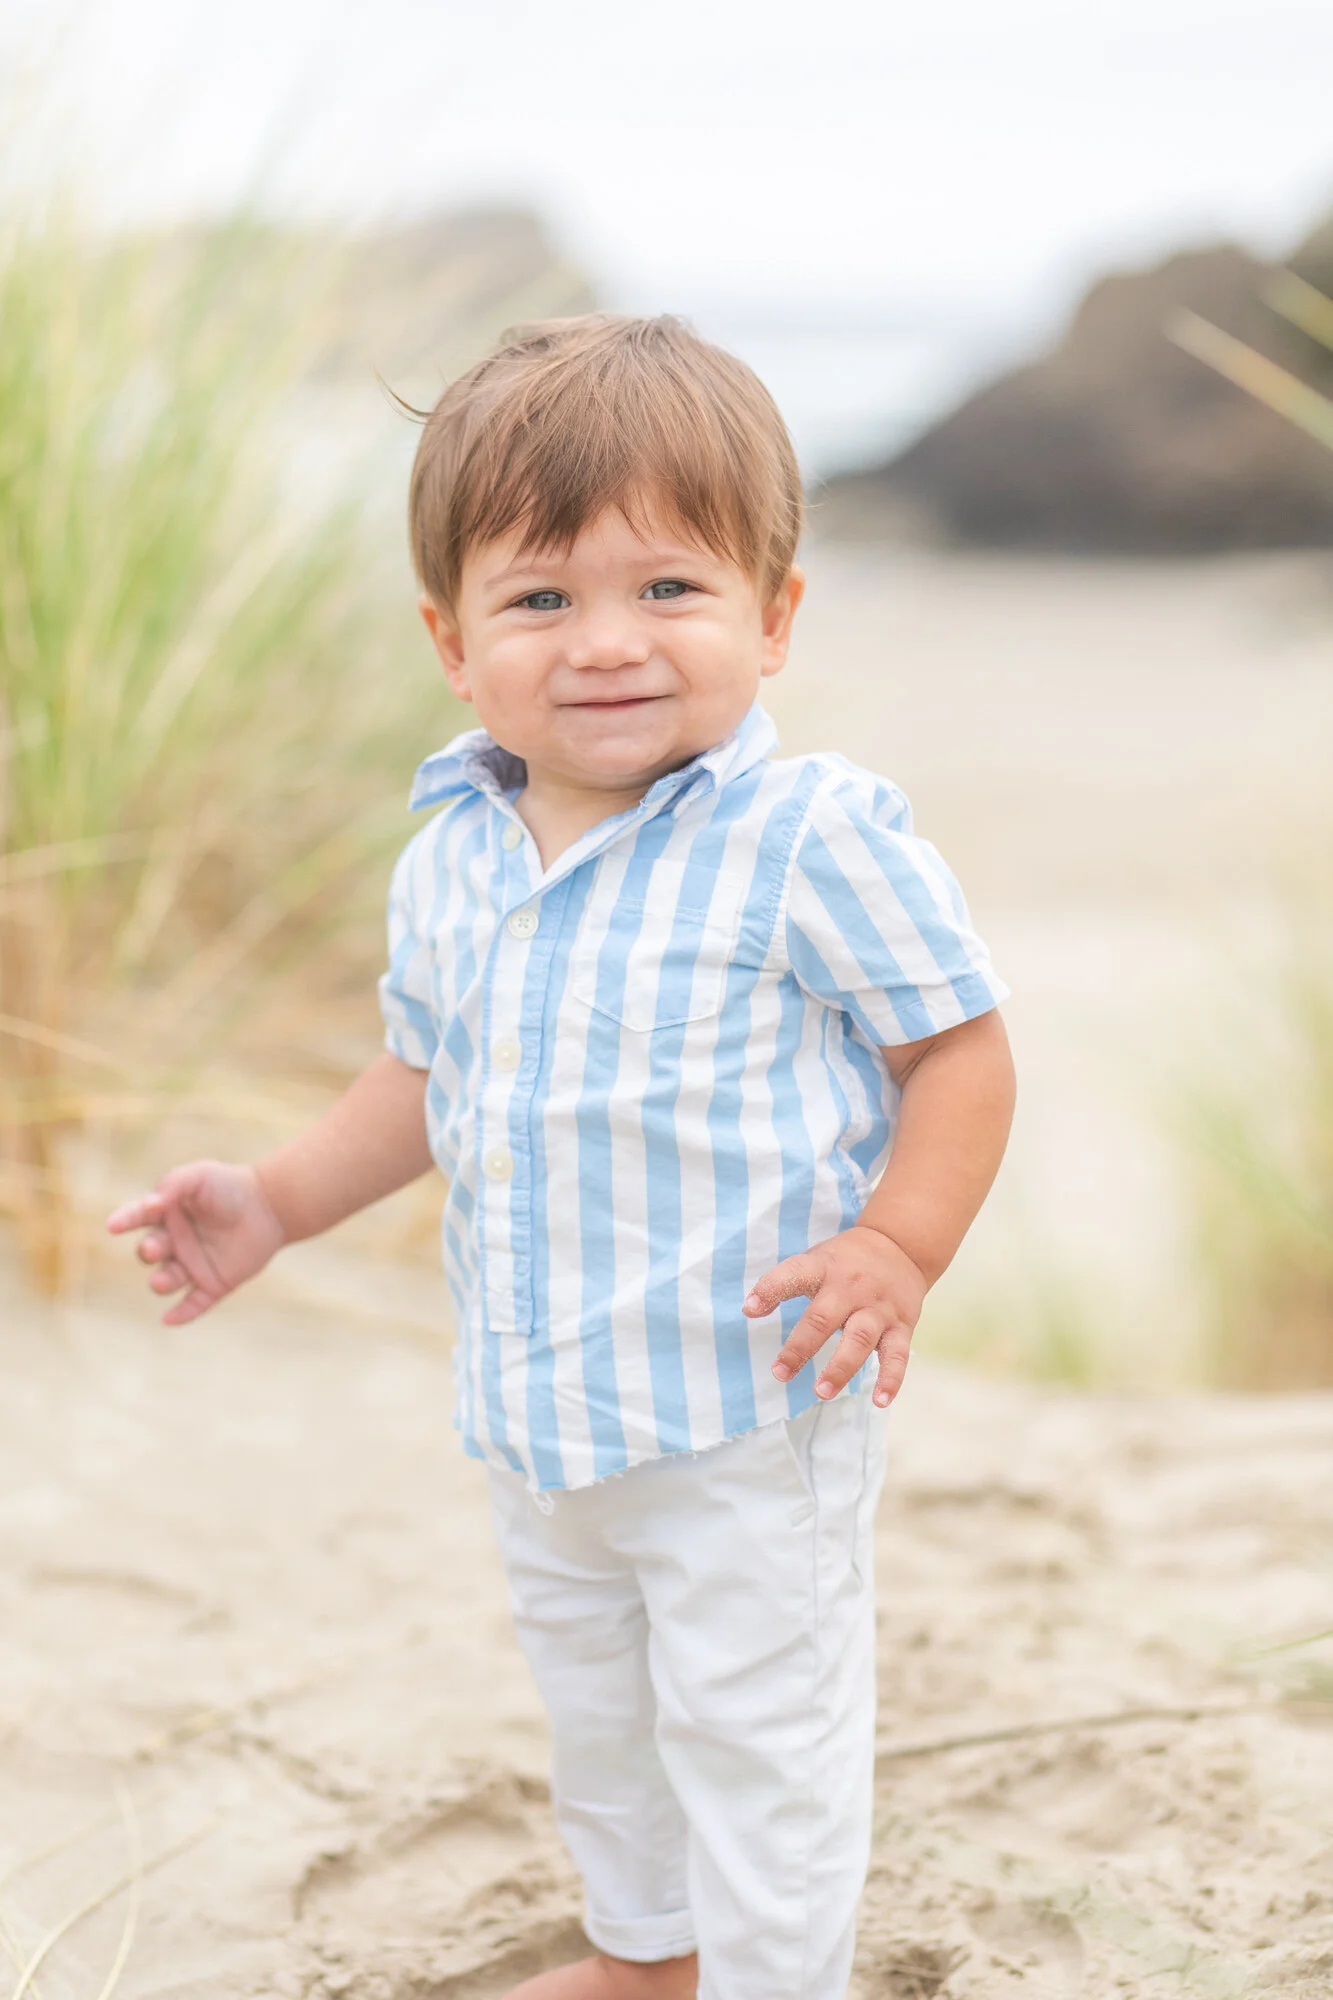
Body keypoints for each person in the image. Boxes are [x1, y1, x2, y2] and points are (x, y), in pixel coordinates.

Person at [108, 314, 1015, 1999]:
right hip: (544, 1417)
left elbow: (956, 1045)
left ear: (776, 615)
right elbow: (421, 1075)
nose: (607, 643)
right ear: (456, 644)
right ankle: (642, 1959)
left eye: (669, 588)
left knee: (760, 1734)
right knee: (602, 1716)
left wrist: (900, 1244)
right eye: (542, 600)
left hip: (749, 1413)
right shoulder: (453, 852)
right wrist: (280, 1201)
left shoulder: (808, 837)